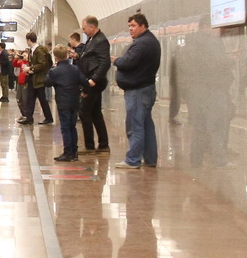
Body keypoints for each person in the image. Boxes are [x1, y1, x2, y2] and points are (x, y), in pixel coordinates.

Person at [113, 12, 162, 168]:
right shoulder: (149, 41)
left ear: (143, 26)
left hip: (138, 91)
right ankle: (150, 159)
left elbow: (128, 62)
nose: (130, 29)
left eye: (133, 26)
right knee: (146, 125)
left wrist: (116, 60)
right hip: (145, 88)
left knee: (135, 126)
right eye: (129, 26)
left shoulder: (142, 43)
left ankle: (133, 160)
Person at [76, 16, 111, 152]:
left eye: (84, 28)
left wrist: (94, 79)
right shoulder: (91, 40)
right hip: (89, 80)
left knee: (84, 112)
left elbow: (105, 63)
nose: (83, 31)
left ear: (92, 27)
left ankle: (89, 146)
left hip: (93, 83)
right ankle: (103, 144)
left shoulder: (101, 41)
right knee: (95, 113)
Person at [46, 45, 86, 161]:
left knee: (65, 128)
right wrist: (85, 92)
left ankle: (68, 153)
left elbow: (47, 82)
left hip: (63, 103)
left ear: (55, 57)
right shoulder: (75, 69)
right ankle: (74, 152)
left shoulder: (54, 71)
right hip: (74, 102)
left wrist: (51, 69)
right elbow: (84, 82)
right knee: (72, 127)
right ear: (66, 55)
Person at [27, 31, 53, 124]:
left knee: (42, 99)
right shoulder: (33, 50)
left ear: (29, 40)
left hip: (39, 79)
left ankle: (49, 118)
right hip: (34, 78)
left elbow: (42, 64)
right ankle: (29, 117)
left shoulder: (39, 50)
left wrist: (30, 68)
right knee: (31, 98)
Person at [13, 49, 32, 123]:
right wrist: (16, 58)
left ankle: (26, 115)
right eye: (23, 55)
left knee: (25, 99)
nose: (24, 57)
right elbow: (14, 64)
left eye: (25, 55)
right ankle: (23, 114)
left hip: (25, 83)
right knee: (19, 99)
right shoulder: (21, 62)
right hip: (20, 83)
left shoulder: (30, 64)